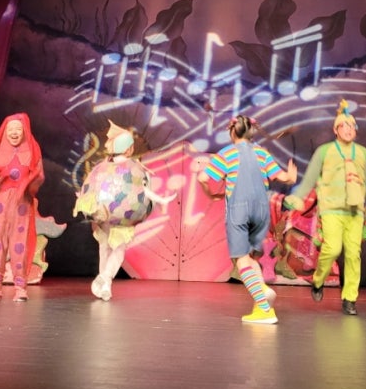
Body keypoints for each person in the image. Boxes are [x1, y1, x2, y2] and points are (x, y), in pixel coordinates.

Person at [283, 100, 366, 316]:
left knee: (354, 255)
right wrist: (297, 197)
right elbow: (310, 178)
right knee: (332, 249)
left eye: (352, 126)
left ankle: (350, 299)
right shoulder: (324, 151)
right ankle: (318, 280)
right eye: (343, 126)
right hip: (331, 209)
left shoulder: (363, 153)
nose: (348, 130)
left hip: (355, 211)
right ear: (335, 130)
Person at [198, 114, 297, 324]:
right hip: (261, 211)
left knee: (240, 260)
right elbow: (285, 178)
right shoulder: (262, 153)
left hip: (239, 210)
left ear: (232, 131)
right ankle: (262, 293)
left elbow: (203, 178)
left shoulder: (227, 154)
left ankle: (264, 308)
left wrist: (211, 194)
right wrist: (292, 176)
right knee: (251, 258)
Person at [74, 120, 175, 301]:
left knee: (104, 247)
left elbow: (89, 186)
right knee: (119, 249)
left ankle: (104, 284)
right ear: (129, 149)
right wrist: (162, 199)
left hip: (103, 213)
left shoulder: (102, 166)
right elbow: (144, 190)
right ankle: (105, 278)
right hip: (123, 216)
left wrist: (83, 199)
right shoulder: (133, 168)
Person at [0, 112, 44, 302]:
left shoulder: (32, 152)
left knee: (19, 246)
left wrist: (29, 183)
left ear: (25, 131)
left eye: (18, 129)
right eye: (10, 129)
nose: (14, 132)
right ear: (4, 132)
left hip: (21, 206)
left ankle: (20, 288)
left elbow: (39, 177)